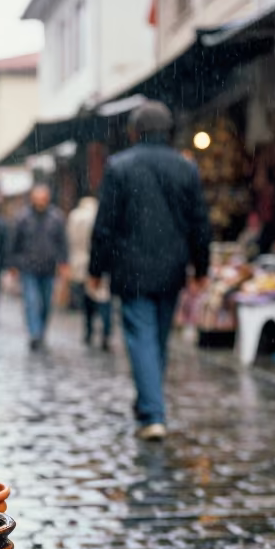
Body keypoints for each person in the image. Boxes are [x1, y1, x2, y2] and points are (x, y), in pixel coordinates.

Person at [89, 100, 210, 440]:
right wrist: (201, 267)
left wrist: (96, 268)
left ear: (134, 132)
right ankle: (148, 404)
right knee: (157, 338)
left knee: (142, 338)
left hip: (131, 269)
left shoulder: (119, 167)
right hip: (172, 268)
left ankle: (152, 413)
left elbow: (105, 226)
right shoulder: (185, 168)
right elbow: (200, 223)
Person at [12, 184, 68, 350]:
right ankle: (34, 333)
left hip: (49, 268)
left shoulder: (56, 217)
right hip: (28, 267)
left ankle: (41, 330)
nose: (40, 202)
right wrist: (13, 264)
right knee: (31, 301)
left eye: (43, 198)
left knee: (45, 303)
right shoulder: (22, 217)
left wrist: (64, 263)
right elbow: (15, 243)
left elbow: (63, 243)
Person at [67, 194, 111, 349]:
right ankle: (106, 332)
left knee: (88, 299)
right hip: (101, 261)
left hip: (80, 260)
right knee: (104, 299)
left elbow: (70, 239)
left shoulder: (74, 216)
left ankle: (89, 330)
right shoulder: (100, 215)